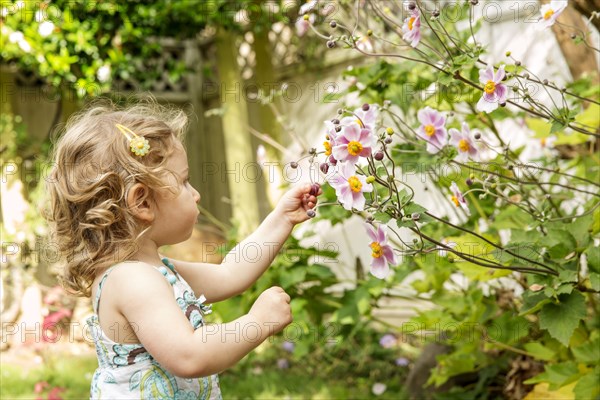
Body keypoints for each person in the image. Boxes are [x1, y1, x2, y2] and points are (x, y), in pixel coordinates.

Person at [44, 100, 321, 399]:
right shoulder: (132, 281)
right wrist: (256, 323)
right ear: (143, 203)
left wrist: (281, 218)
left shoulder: (154, 270)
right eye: (185, 182)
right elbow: (190, 355)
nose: (197, 195)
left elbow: (229, 273)